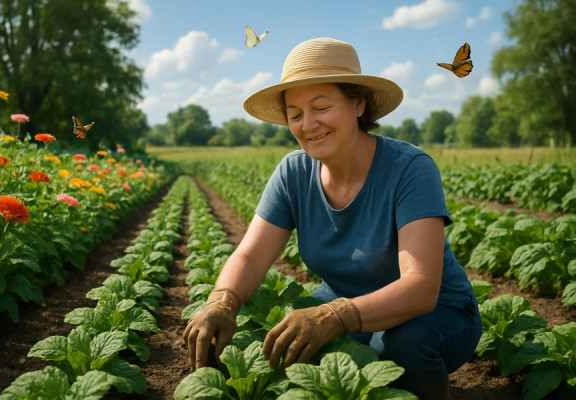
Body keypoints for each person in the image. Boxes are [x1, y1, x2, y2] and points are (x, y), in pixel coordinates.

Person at [183, 37, 482, 400]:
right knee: (288, 344)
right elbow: (250, 255)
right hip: (344, 302)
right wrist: (222, 301)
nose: (308, 124)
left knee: (401, 347)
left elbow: (421, 289)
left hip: (437, 314)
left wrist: (334, 317)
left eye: (321, 107)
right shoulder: (293, 172)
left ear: (358, 104)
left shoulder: (409, 169)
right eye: (295, 114)